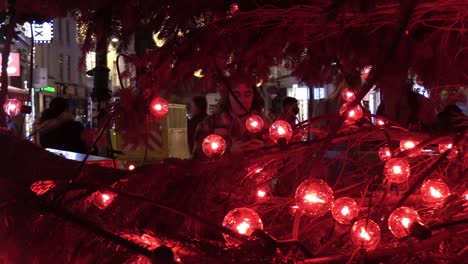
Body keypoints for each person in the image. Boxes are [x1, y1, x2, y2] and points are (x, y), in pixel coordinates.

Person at [192, 78, 269, 158]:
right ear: (227, 96)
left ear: (254, 96)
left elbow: (277, 152)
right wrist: (228, 152)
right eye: (236, 95)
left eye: (247, 94)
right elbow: (197, 158)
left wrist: (265, 147)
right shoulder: (210, 123)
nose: (242, 100)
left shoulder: (264, 122)